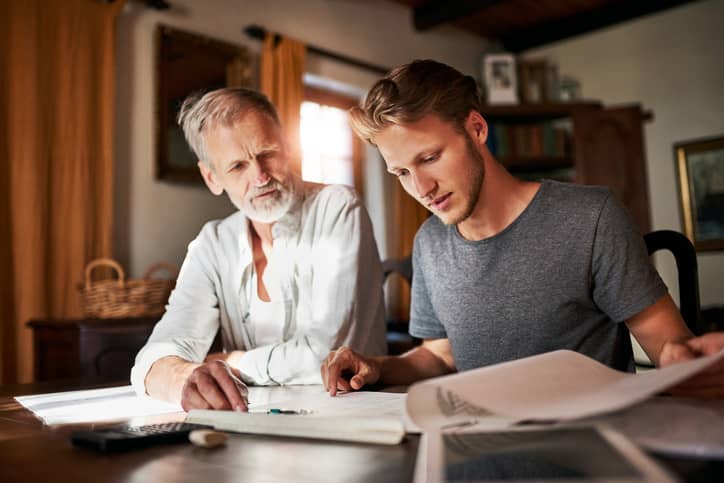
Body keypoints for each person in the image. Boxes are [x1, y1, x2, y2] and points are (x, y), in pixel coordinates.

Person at [321, 59, 724, 398]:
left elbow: (667, 343)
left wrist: (680, 357)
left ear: (476, 129)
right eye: (402, 172)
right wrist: (375, 367)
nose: (421, 189)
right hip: (471, 458)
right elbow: (441, 356)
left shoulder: (590, 218)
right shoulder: (429, 243)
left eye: (430, 158)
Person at [131, 87, 387, 411]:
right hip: (255, 426)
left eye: (267, 153)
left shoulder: (337, 208)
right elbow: (151, 360)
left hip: (353, 417)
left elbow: (324, 357)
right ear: (211, 177)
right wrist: (185, 376)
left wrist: (231, 362)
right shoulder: (213, 243)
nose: (260, 176)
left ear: (289, 148)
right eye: (237, 167)